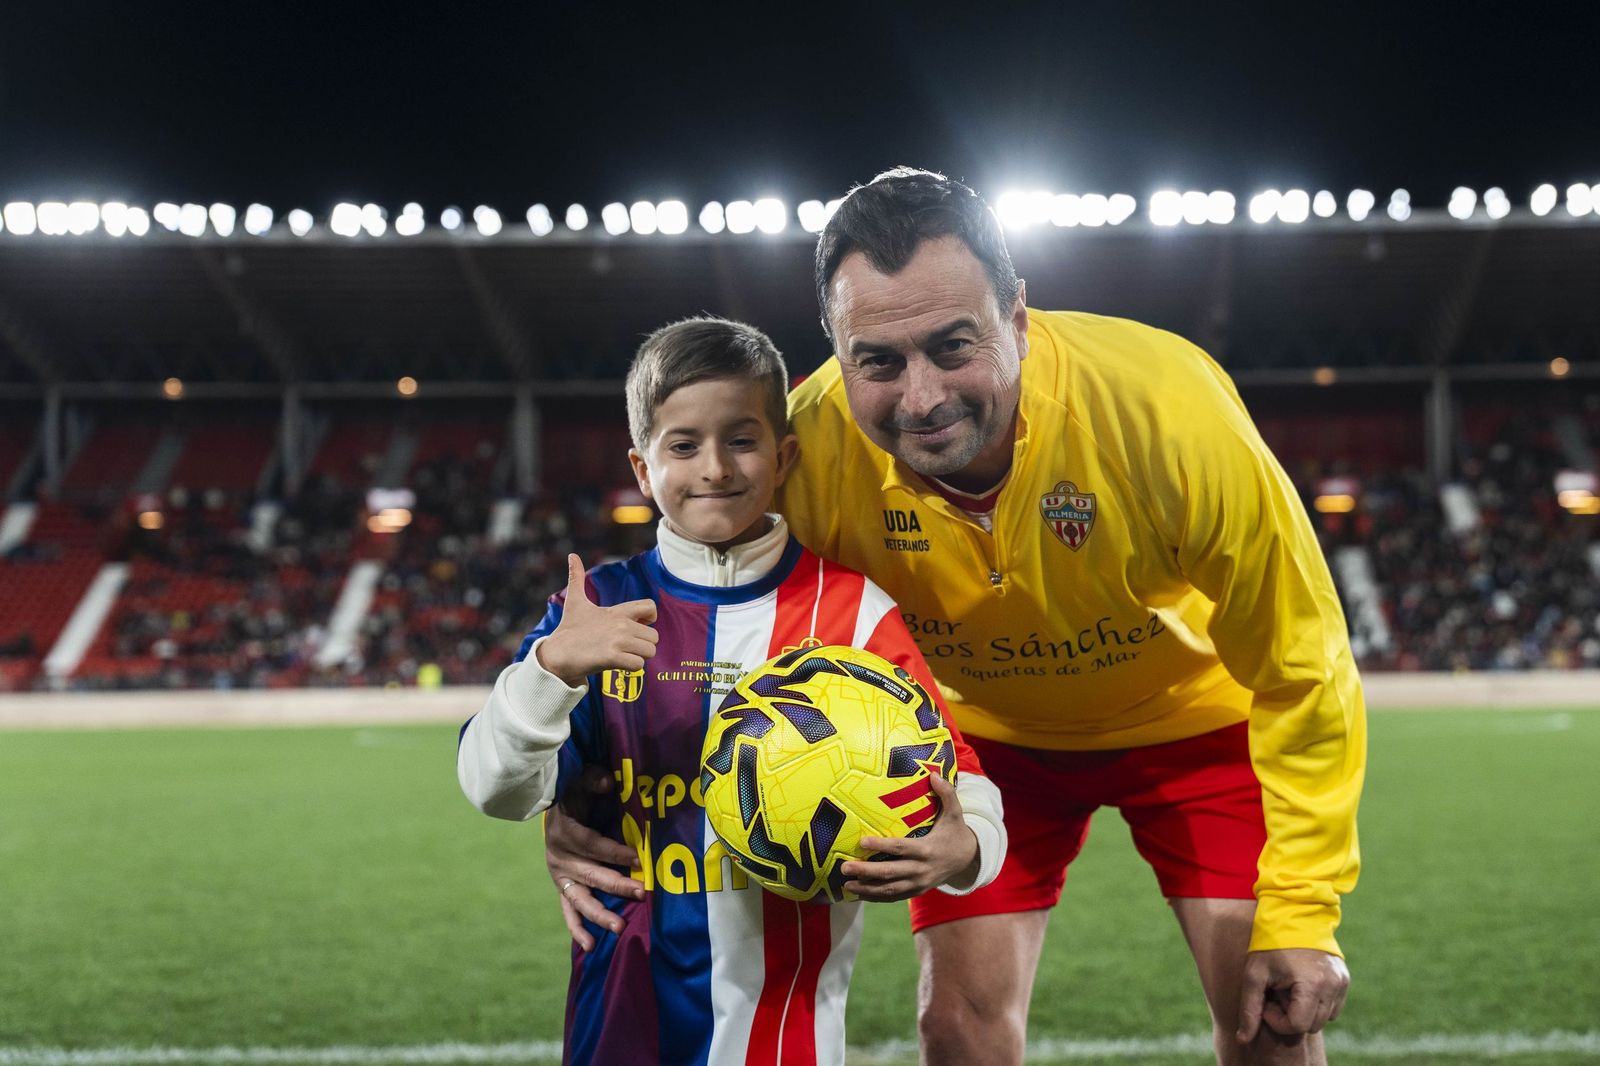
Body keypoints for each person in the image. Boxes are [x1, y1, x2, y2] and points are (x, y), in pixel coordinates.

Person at [546, 171, 1365, 1066]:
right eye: (880, 362)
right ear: (836, 351)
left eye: (952, 345)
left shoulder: (1166, 412)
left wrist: (1303, 907)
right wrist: (583, 787)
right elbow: (693, 593)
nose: (924, 396)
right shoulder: (808, 451)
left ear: (1017, 320)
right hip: (978, 745)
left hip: (1198, 723)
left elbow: (1303, 663)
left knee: (1273, 1012)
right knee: (958, 1029)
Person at [457, 316, 1007, 1066]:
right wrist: (550, 671)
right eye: (682, 445)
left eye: (741, 440)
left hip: (788, 1034)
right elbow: (495, 788)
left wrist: (966, 844)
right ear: (644, 469)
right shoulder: (593, 614)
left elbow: (960, 775)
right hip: (620, 1018)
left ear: (783, 456)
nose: (714, 467)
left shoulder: (850, 611)